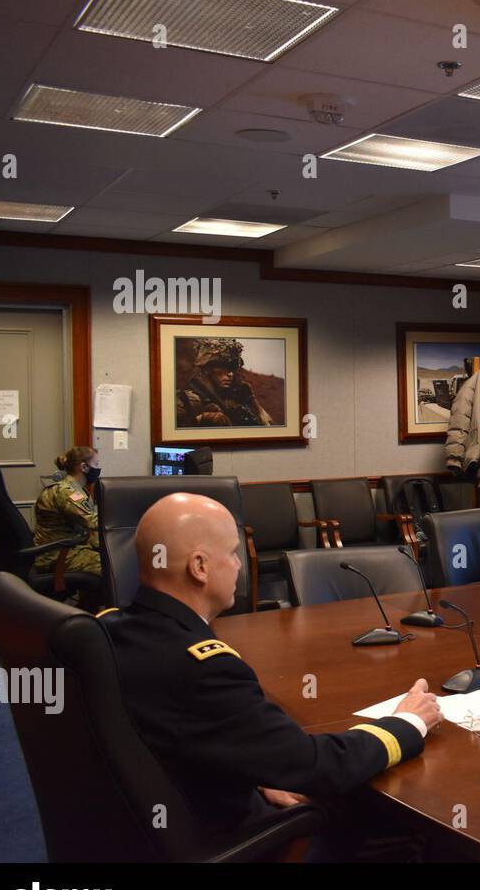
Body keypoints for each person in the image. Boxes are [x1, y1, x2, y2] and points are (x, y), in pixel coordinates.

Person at [99, 492, 443, 846]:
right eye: (232, 553)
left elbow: (178, 733)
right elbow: (318, 767)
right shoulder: (206, 669)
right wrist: (407, 723)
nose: (238, 565)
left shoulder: (109, 629)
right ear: (199, 567)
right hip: (221, 833)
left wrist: (258, 769)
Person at [32, 446, 101, 576]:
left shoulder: (75, 489)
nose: (98, 468)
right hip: (58, 555)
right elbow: (92, 522)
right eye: (96, 464)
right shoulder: (67, 492)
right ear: (84, 467)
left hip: (65, 549)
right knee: (114, 565)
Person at [175, 338, 273, 427]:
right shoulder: (187, 400)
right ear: (208, 370)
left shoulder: (237, 398)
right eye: (223, 367)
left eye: (232, 368)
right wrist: (202, 418)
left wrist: (259, 410)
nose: (230, 374)